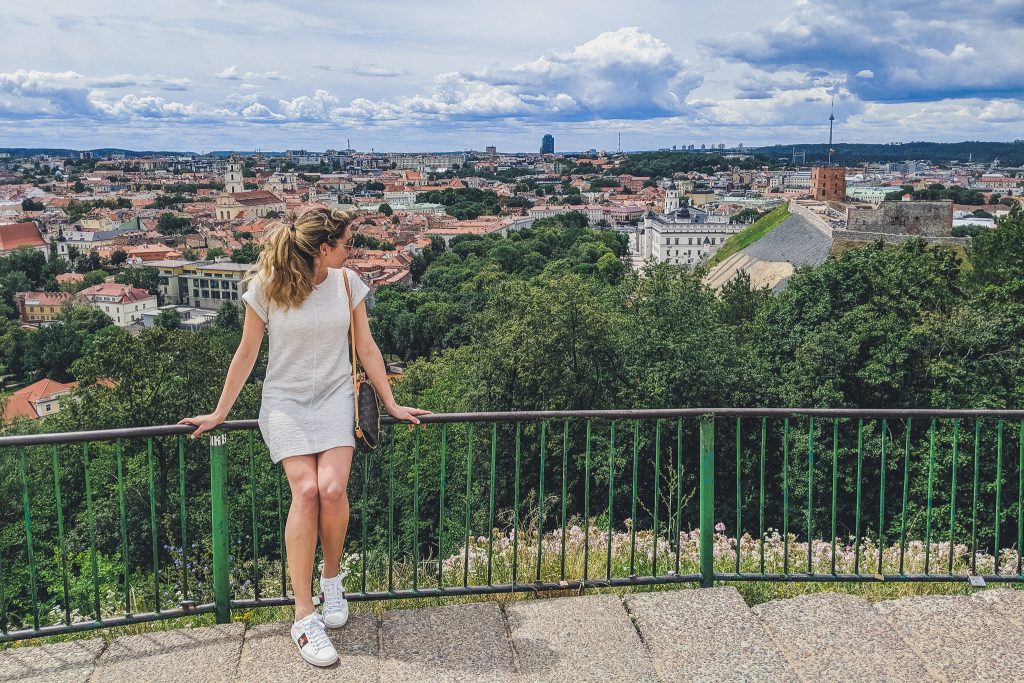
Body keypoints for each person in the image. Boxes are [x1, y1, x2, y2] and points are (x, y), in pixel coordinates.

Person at [178, 207, 430, 667]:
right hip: (286, 403)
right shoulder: (266, 290)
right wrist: (220, 412)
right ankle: (303, 616)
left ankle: (331, 580)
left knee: (333, 490)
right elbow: (247, 353)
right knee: (308, 491)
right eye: (345, 244)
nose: (350, 251)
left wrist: (392, 403)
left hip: (336, 397)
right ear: (322, 248)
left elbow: (367, 346)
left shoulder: (348, 284)